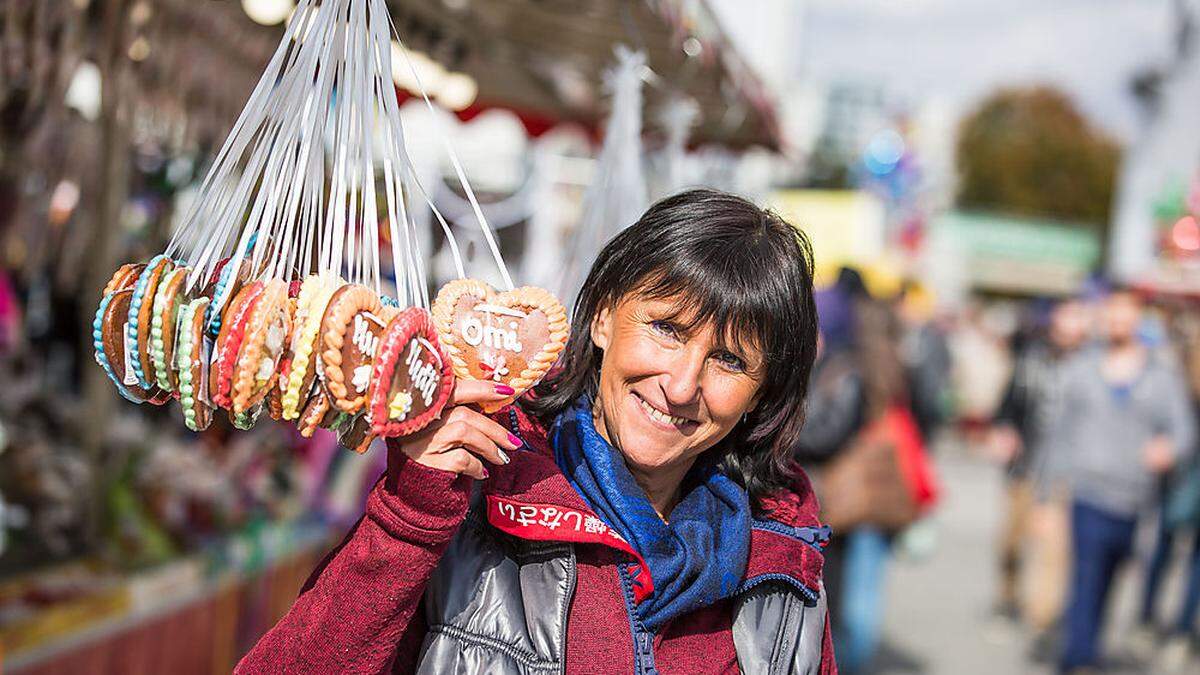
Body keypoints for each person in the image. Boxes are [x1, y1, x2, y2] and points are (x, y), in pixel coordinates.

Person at [238, 189, 836, 673]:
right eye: (666, 329)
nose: (681, 385)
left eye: (730, 361)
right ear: (602, 317)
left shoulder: (784, 567)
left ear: (763, 393)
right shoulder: (473, 492)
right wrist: (411, 519)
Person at [1055, 289, 1196, 674]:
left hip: (1134, 496)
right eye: (1111, 315)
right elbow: (1061, 427)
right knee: (1085, 574)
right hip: (1087, 489)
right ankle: (1077, 656)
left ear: (1137, 320)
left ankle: (1090, 644)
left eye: (1125, 315)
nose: (1117, 323)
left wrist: (1169, 448)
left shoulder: (1160, 375)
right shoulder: (1083, 368)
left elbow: (1183, 431)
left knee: (1111, 576)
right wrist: (1050, 481)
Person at [988, 298, 1088, 652]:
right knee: (1012, 540)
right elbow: (1008, 405)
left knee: (1054, 549)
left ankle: (1043, 620)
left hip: (1065, 474)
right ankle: (1008, 597)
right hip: (1025, 465)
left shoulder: (1091, 366)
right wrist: (1004, 430)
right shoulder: (1031, 360)